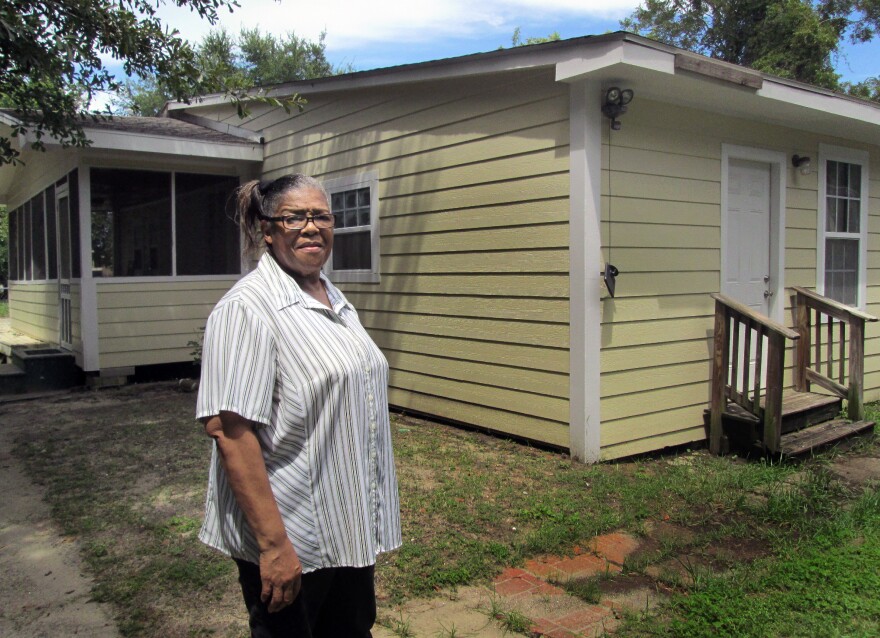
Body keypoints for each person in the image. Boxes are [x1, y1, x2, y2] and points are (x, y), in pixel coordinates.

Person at [196, 174, 401, 637]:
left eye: (322, 215)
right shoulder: (247, 309)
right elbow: (231, 431)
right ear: (267, 230)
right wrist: (273, 547)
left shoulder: (330, 295)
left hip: (346, 525)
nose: (312, 227)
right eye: (295, 217)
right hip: (293, 537)